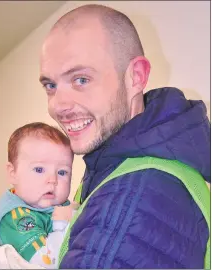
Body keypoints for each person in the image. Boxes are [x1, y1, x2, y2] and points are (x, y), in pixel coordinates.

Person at [39, 3, 211, 269]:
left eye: (81, 80)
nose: (57, 106)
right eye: (51, 85)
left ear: (136, 76)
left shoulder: (128, 201)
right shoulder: (121, 161)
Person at [0, 122, 78, 268]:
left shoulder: (60, 205)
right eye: (39, 169)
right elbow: (47, 262)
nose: (53, 180)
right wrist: (62, 225)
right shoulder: (14, 217)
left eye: (62, 172)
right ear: (13, 174)